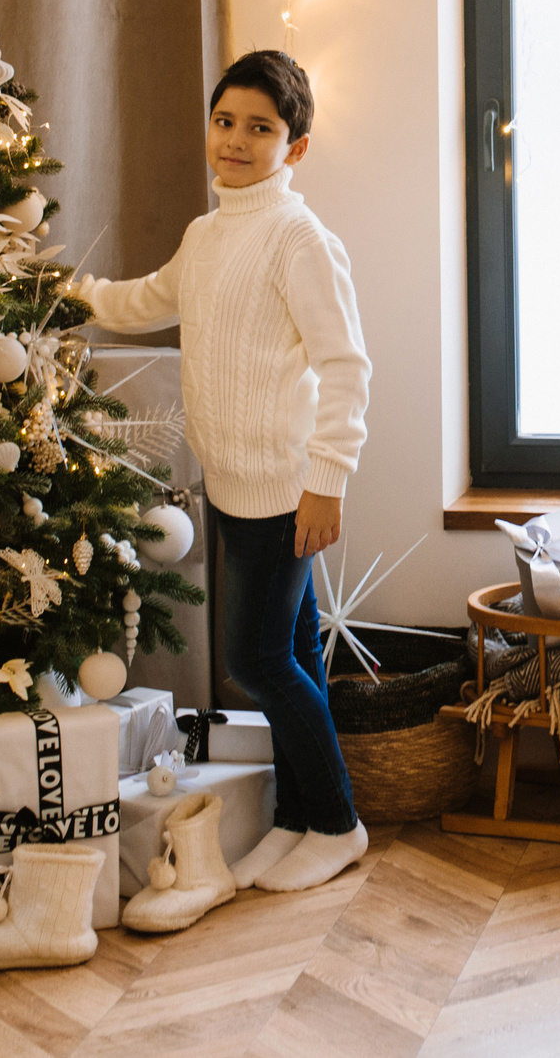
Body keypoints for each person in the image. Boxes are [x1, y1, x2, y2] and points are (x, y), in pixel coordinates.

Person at [79, 49, 376, 896]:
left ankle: (336, 822)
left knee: (256, 656)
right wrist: (81, 294)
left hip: (287, 486)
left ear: (297, 146)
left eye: (261, 128)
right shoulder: (207, 235)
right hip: (232, 479)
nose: (237, 141)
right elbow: (151, 298)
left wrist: (329, 476)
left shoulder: (300, 239)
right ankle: (294, 817)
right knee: (293, 654)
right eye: (225, 122)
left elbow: (346, 364)